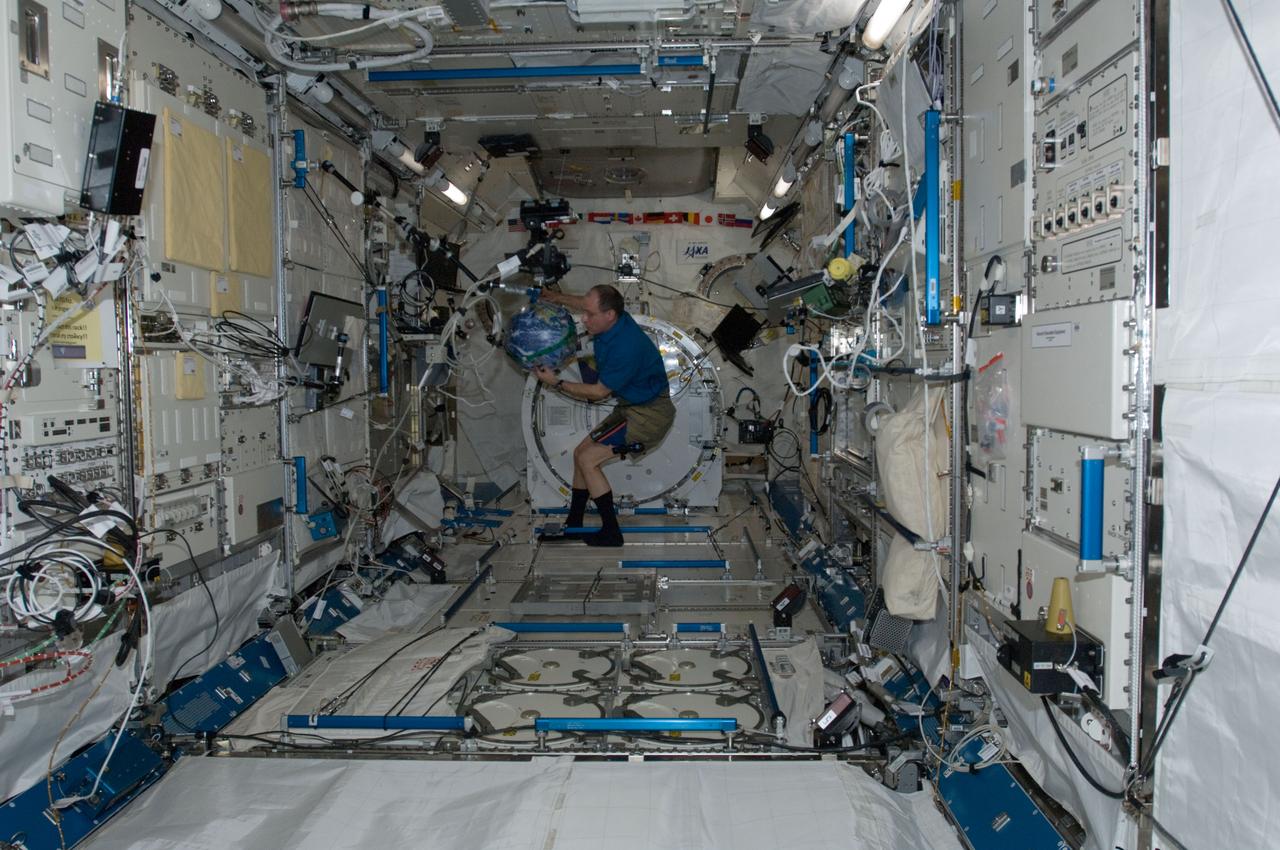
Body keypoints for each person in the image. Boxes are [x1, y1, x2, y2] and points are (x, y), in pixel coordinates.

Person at [533, 284, 674, 547]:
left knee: (588, 460)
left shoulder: (626, 347)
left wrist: (556, 382)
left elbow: (599, 392)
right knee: (580, 454)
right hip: (632, 408)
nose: (584, 319)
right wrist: (556, 297)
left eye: (590, 314)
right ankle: (574, 525)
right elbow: (585, 301)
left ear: (609, 315)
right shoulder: (615, 319)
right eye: (585, 312)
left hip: (648, 416)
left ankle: (611, 532)